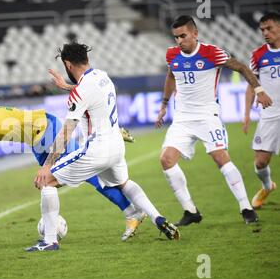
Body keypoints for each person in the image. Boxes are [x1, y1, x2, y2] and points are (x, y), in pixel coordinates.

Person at [27, 41, 179, 251]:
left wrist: (47, 166)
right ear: (86, 59)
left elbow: (67, 131)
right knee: (124, 183)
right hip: (116, 147)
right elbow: (90, 92)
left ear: (68, 64)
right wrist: (67, 87)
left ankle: (49, 240)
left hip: (95, 149)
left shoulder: (79, 92)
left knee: (47, 181)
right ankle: (158, 219)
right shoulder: (102, 76)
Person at [0, 100, 146, 240]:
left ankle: (130, 213)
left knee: (85, 173)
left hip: (45, 129)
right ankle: (51, 236)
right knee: (52, 181)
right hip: (37, 140)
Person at [156, 15, 273, 226]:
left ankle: (246, 208)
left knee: (220, 157)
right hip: (182, 119)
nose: (179, 41)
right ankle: (191, 211)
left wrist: (259, 90)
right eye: (176, 37)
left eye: (183, 36)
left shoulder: (212, 53)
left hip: (207, 116)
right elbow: (171, 76)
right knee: (166, 160)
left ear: (195, 33)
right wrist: (164, 104)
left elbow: (242, 68)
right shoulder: (172, 54)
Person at [243, 11, 279, 209]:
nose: (265, 33)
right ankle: (267, 186)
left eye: (269, 28)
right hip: (270, 115)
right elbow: (251, 84)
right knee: (260, 163)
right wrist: (247, 114)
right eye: (262, 30)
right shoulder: (258, 55)